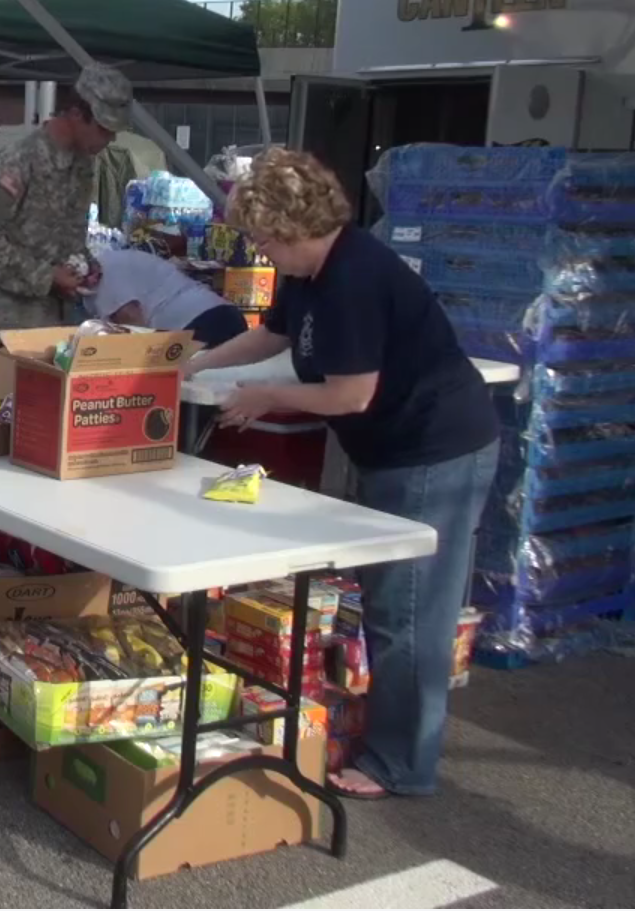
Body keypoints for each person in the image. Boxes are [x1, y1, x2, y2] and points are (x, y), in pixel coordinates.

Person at [187, 147, 500, 802]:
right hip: (394, 449)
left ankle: (402, 764)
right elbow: (270, 337)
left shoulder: (355, 277)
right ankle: (392, 740)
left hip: (432, 450)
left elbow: (349, 395)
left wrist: (268, 398)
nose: (264, 253)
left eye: (268, 240)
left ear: (300, 227)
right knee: (392, 603)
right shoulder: (310, 271)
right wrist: (192, 364)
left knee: (409, 613)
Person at [0, 65, 128, 335]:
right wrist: (47, 276)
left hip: (46, 323)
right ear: (75, 114)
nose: (110, 139)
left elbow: (67, 239)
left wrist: (84, 268)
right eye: (104, 129)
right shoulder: (19, 161)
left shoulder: (83, 165)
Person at [89, 246, 248, 348]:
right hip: (219, 313)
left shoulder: (102, 273)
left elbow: (133, 325)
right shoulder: (113, 261)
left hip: (200, 323)